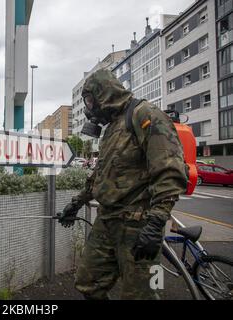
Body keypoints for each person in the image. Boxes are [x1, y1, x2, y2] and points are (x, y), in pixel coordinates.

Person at [58, 69, 188, 300]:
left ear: (104, 94)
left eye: (89, 100)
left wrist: (156, 222)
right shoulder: (113, 128)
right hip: (107, 220)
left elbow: (170, 170)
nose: (89, 108)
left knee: (142, 295)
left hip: (139, 224)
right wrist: (76, 203)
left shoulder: (143, 114)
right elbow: (102, 174)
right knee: (88, 282)